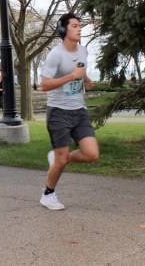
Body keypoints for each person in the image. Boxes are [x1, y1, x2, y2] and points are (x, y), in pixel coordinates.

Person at [39, 13, 99, 210]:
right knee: (61, 159)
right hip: (58, 112)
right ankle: (48, 194)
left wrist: (86, 80)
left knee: (91, 154)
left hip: (79, 110)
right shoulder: (55, 55)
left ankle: (57, 158)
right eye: (74, 26)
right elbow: (45, 85)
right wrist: (71, 76)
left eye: (80, 25)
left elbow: (79, 71)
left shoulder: (83, 51)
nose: (79, 28)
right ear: (64, 30)